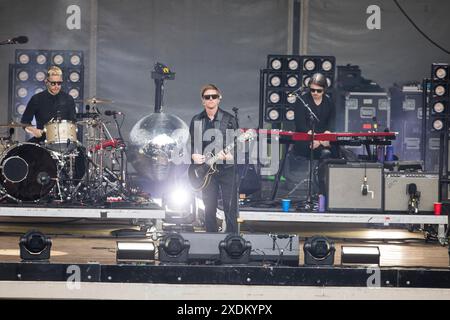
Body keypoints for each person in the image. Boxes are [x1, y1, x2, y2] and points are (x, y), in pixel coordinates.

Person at [189, 84, 239, 233]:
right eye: (207, 97)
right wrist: (193, 155)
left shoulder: (229, 119)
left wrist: (231, 155)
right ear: (203, 101)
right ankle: (211, 239)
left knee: (230, 208)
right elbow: (192, 145)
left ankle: (232, 241)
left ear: (219, 99)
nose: (211, 99)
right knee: (208, 207)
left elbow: (236, 145)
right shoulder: (197, 120)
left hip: (227, 170)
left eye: (214, 96)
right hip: (206, 171)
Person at [292, 73, 337, 195]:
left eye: (319, 90)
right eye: (312, 90)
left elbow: (332, 122)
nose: (315, 93)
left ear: (324, 90)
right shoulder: (302, 100)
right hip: (305, 139)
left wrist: (324, 137)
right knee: (324, 152)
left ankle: (328, 190)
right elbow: (299, 123)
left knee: (336, 151)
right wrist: (313, 137)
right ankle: (319, 189)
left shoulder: (329, 102)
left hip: (323, 140)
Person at [21, 66, 76, 143]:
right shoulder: (36, 99)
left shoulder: (69, 99)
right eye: (53, 83)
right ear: (46, 82)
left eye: (59, 83)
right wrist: (33, 130)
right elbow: (24, 122)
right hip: (42, 141)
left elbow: (73, 123)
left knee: (81, 152)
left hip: (65, 141)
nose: (56, 86)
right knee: (25, 151)